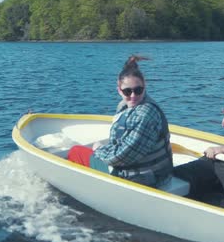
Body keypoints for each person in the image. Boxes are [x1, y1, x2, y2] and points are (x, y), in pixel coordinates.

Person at [67, 55, 173, 188]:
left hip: (145, 180)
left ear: (145, 87)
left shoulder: (145, 114)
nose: (133, 95)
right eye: (128, 91)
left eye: (138, 90)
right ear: (119, 90)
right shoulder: (125, 106)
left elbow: (123, 156)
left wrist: (99, 150)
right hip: (154, 174)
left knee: (76, 152)